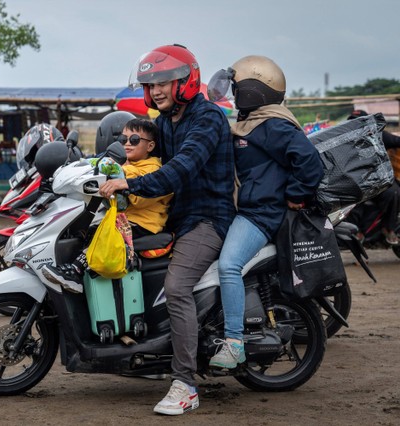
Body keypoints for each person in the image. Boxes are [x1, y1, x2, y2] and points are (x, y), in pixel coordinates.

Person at [99, 44, 235, 416]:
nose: (156, 90)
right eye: (151, 84)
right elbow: (142, 152)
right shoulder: (164, 123)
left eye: (164, 82)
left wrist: (132, 185)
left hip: (207, 218)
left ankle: (186, 383)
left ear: (186, 81)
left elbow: (183, 167)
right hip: (174, 218)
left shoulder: (207, 118)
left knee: (176, 288)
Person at [206, 55, 323, 370]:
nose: (232, 94)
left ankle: (233, 344)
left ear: (253, 91)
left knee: (229, 266)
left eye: (237, 88)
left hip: (260, 214)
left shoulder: (273, 125)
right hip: (248, 209)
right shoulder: (252, 124)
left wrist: (295, 196)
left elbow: (310, 163)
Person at [43, 118, 172, 293]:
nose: (127, 144)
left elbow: (132, 182)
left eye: (134, 140)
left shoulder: (153, 168)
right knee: (88, 230)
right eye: (122, 140)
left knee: (102, 235)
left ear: (150, 146)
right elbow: (101, 164)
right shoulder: (127, 163)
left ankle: (75, 271)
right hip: (126, 218)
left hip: (144, 224)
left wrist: (115, 172)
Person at [346, 109, 400, 245]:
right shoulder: (343, 140)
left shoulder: (379, 135)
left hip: (380, 181)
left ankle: (388, 228)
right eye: (353, 121)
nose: (356, 124)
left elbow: (396, 141)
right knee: (351, 200)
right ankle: (356, 231)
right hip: (356, 181)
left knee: (393, 193)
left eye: (360, 121)